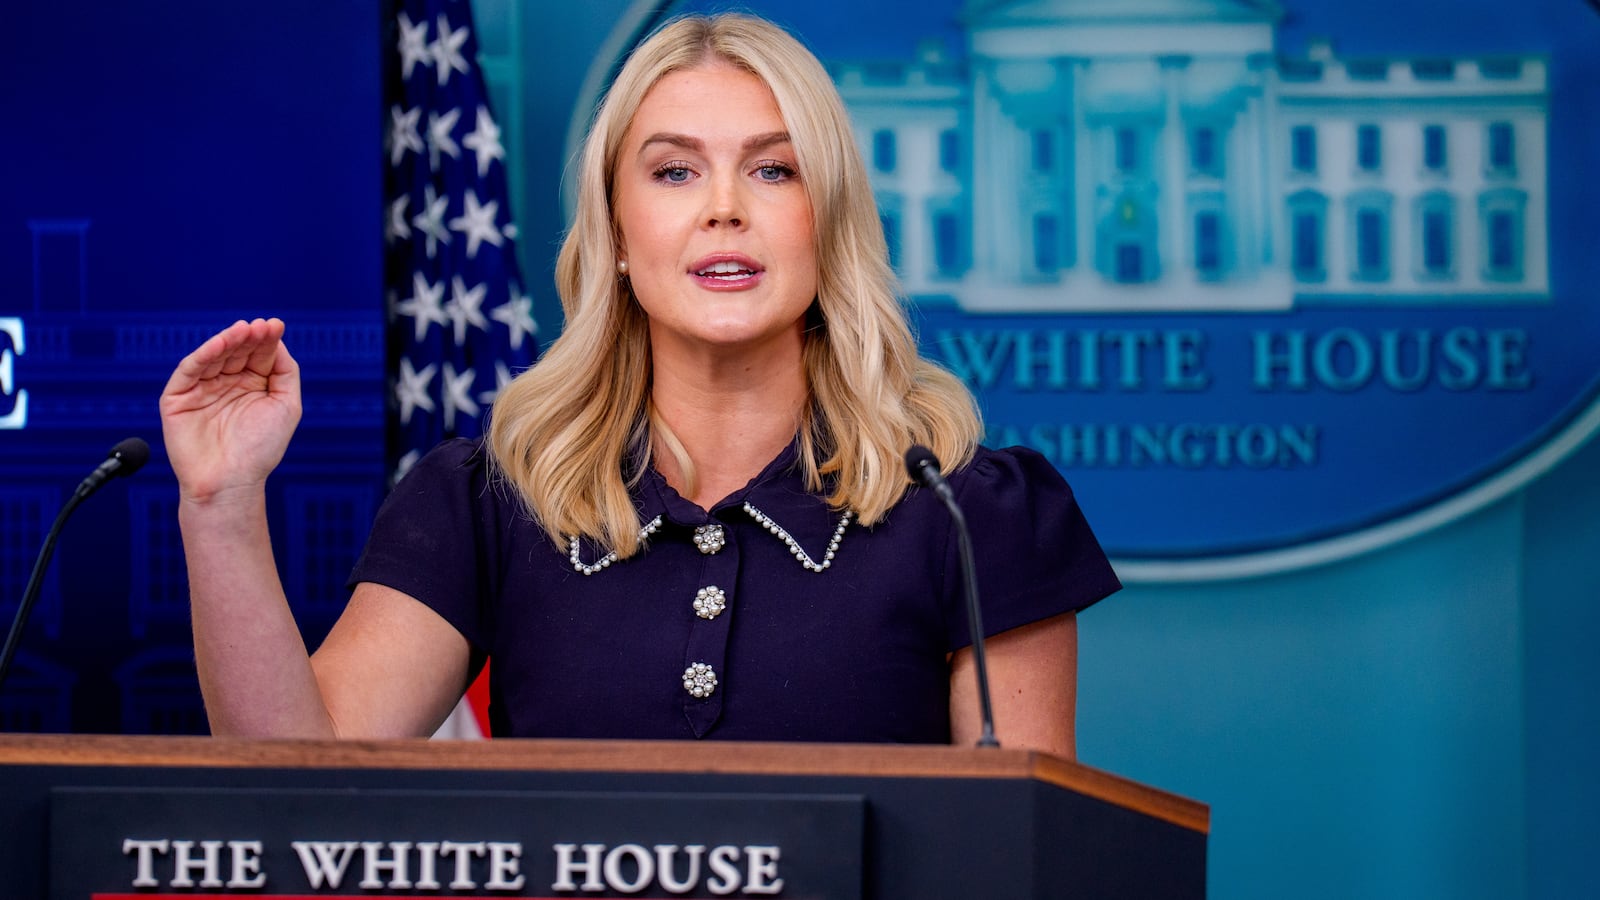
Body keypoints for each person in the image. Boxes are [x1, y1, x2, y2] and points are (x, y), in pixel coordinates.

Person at [159, 13, 1119, 757]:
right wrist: (220, 504)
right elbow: (297, 778)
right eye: (673, 172)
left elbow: (1026, 856)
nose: (725, 210)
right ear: (616, 235)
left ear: (826, 225)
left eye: (774, 169)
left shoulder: (974, 511)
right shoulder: (488, 500)